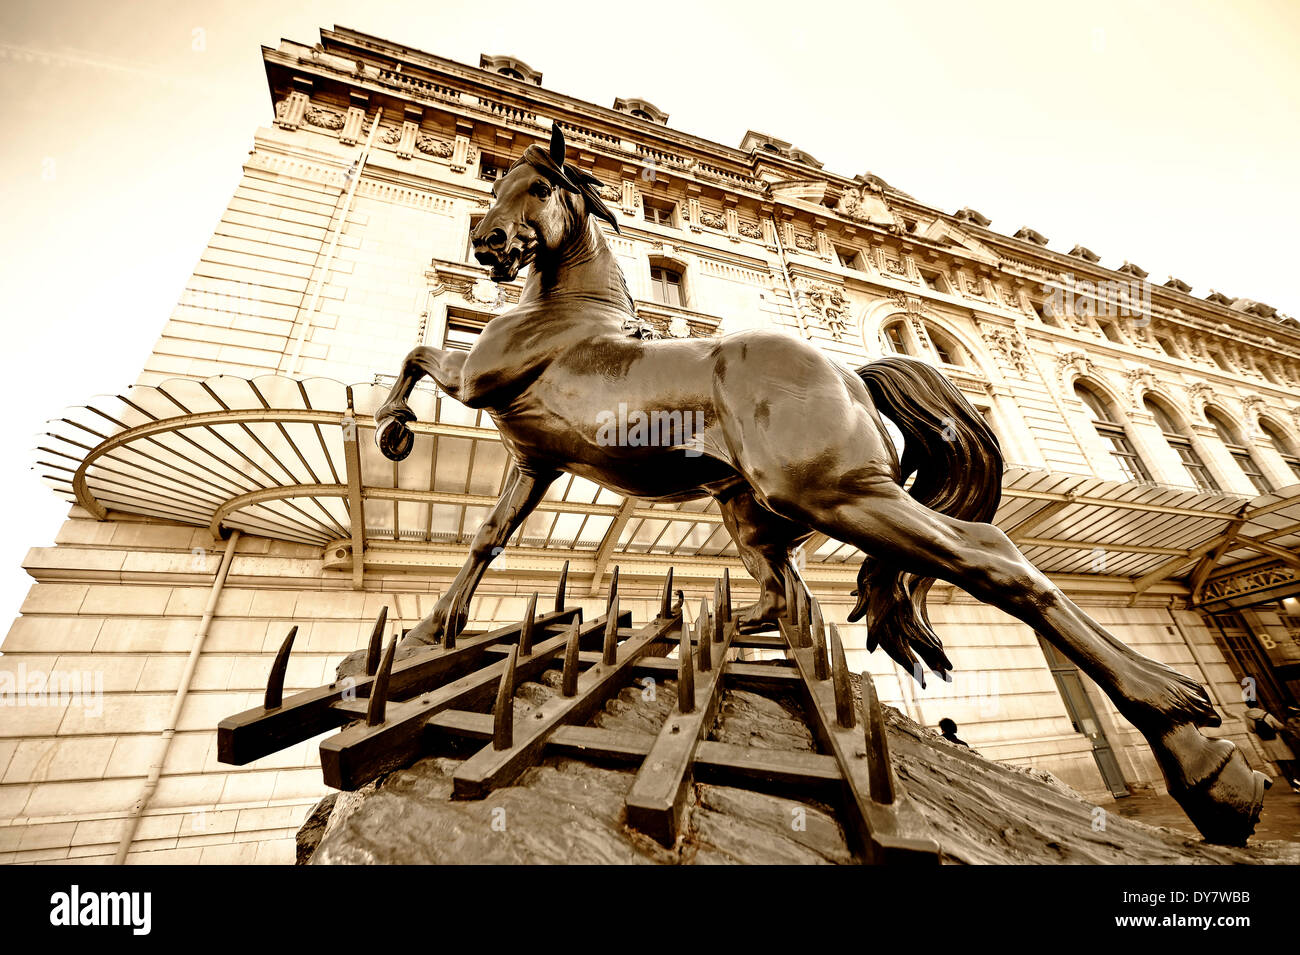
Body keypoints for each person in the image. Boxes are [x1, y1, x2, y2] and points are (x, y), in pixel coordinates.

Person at [1244, 704, 1300, 792]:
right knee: (1292, 762)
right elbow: (1279, 726)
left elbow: (1250, 730)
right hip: (1278, 741)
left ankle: (1294, 786)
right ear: (1257, 704)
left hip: (1265, 743)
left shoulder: (1247, 717)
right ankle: (1297, 780)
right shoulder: (1265, 714)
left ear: (1247, 705)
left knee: (1282, 766)